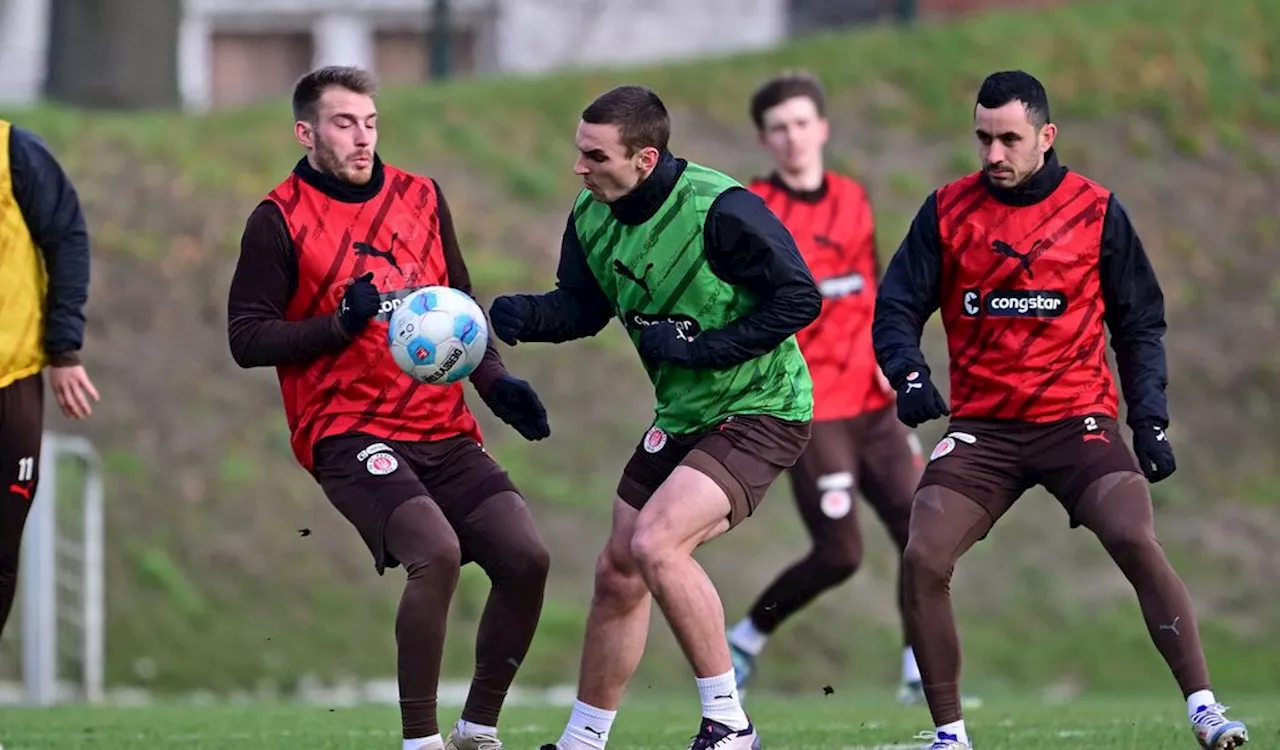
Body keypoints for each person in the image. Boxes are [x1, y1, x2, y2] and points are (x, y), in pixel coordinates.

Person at [871, 70, 1249, 750]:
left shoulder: (1097, 211)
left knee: (1135, 539)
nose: (993, 155)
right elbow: (896, 305)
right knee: (924, 556)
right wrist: (909, 374)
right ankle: (950, 737)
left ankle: (1205, 709)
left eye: (1008, 139)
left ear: (1045, 136)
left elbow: (1140, 323)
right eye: (982, 139)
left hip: (1078, 424)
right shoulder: (947, 212)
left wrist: (1150, 420)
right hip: (983, 431)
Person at [227, 65, 552, 750]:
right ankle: (420, 741)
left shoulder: (422, 197)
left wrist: (495, 386)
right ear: (306, 131)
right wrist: (337, 325)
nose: (362, 138)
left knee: (526, 556)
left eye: (370, 123)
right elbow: (247, 338)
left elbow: (458, 307)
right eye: (344, 124)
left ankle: (477, 731)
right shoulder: (278, 219)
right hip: (345, 430)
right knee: (434, 552)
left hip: (440, 423)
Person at [488, 84, 819, 750]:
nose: (580, 168)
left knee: (656, 543)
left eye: (595, 156)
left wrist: (704, 349)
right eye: (579, 152)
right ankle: (584, 741)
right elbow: (582, 308)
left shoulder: (721, 210)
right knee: (618, 570)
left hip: (763, 408)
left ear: (645, 158)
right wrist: (525, 315)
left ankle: (730, 725)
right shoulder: (592, 214)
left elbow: (799, 299)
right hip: (685, 412)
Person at [724, 70, 935, 704]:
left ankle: (918, 669)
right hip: (808, 406)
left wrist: (889, 364)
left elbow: (869, 286)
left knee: (924, 530)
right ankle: (746, 638)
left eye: (800, 123)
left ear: (822, 128)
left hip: (873, 403)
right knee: (840, 552)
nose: (791, 137)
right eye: (778, 128)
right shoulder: (752, 212)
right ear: (765, 139)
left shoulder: (853, 198)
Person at [0, 119, 99, 643]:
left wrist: (64, 349)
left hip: (11, 380)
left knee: (3, 548)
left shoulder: (14, 153)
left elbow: (67, 240)